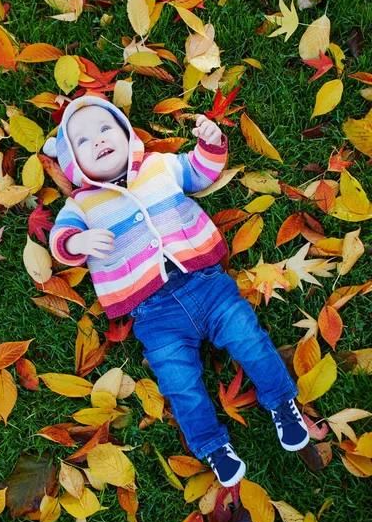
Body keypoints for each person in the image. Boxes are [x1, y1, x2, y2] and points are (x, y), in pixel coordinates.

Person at [44, 95, 309, 487]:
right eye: (83, 141)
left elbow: (198, 173)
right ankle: (211, 444)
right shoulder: (81, 205)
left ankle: (281, 401)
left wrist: (210, 143)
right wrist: (78, 244)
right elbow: (59, 240)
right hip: (153, 314)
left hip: (207, 284)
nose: (98, 140)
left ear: (125, 134)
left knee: (249, 338)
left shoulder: (156, 165)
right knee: (178, 381)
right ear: (72, 163)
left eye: (105, 129)